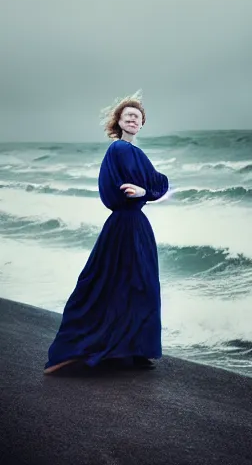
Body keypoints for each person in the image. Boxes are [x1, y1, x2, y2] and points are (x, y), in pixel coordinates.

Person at [43, 93, 171, 374]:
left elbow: (159, 183)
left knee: (138, 285)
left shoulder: (136, 152)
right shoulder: (119, 150)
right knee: (122, 284)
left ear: (142, 123)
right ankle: (104, 348)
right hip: (125, 226)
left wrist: (144, 192)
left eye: (137, 117)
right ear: (119, 122)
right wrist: (143, 192)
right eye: (128, 116)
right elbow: (116, 190)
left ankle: (134, 350)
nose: (133, 119)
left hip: (136, 225)